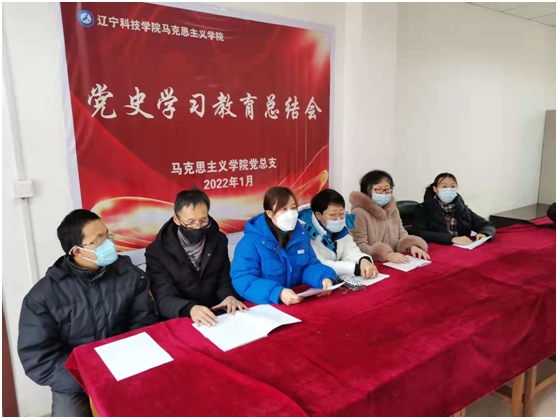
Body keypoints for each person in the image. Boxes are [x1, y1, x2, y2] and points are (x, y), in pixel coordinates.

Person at [18, 210, 157, 417]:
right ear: (77, 251)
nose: (108, 242)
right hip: (75, 380)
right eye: (98, 239)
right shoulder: (44, 295)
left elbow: (144, 322)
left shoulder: (130, 276)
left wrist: (127, 362)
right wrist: (89, 377)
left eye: (107, 234)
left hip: (125, 366)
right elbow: (39, 358)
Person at [146, 188, 246, 327]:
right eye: (191, 222)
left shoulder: (218, 240)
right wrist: (190, 309)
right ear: (177, 219)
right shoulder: (157, 251)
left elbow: (223, 279)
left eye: (203, 220)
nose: (198, 227)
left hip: (216, 313)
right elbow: (163, 297)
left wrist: (229, 296)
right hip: (181, 317)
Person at [231, 187, 337, 305]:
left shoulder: (300, 235)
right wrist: (277, 293)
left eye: (293, 208)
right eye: (283, 209)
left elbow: (309, 265)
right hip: (266, 306)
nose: (290, 214)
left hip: (295, 302)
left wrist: (324, 277)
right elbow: (243, 279)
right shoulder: (250, 242)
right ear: (270, 213)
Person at [349, 170, 430, 263]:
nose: (384, 193)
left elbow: (402, 233)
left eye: (387, 189)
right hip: (372, 263)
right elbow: (358, 246)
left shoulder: (393, 209)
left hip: (395, 261)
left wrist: (412, 246)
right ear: (367, 191)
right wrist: (386, 255)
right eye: (378, 189)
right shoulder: (357, 213)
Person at [298, 189, 379, 278]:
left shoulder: (341, 225)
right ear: (318, 215)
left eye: (341, 213)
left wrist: (363, 260)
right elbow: (318, 263)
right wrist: (355, 269)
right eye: (333, 215)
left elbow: (350, 251)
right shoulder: (305, 231)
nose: (339, 219)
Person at [411, 173, 496, 245]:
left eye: (453, 186)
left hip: (461, 251)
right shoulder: (423, 209)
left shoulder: (462, 209)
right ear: (435, 189)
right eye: (444, 187)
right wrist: (451, 239)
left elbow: (487, 225)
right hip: (437, 251)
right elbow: (419, 233)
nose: (449, 190)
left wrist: (484, 233)